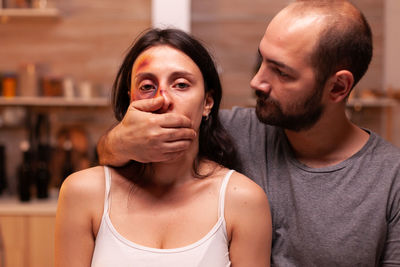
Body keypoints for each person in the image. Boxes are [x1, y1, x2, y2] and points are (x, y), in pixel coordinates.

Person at [96, 1, 400, 266]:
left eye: (281, 72)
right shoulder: (231, 130)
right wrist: (118, 142)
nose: (257, 82)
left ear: (337, 87)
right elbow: (116, 154)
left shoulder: (391, 180)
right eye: (262, 60)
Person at [55, 28, 272, 267]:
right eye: (147, 86)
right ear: (130, 101)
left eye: (181, 84)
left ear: (207, 103)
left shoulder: (243, 201)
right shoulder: (83, 193)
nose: (163, 99)